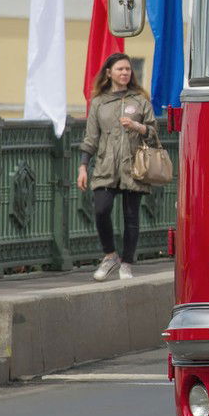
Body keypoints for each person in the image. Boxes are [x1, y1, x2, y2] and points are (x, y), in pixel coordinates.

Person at [78, 53, 157, 281]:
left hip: (134, 165)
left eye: (128, 69)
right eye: (120, 69)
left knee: (131, 217)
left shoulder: (140, 100)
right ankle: (110, 255)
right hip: (106, 166)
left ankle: (127, 263)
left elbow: (153, 134)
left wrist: (137, 127)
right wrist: (83, 166)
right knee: (101, 210)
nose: (124, 73)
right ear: (109, 73)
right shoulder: (99, 102)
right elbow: (91, 138)